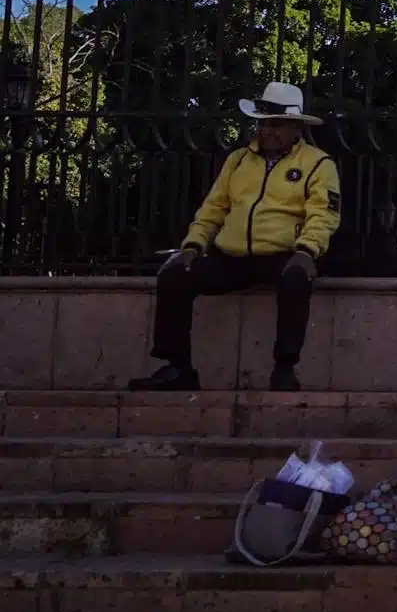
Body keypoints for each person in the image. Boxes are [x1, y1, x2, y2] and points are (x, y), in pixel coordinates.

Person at [128, 81, 340, 393]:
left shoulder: (318, 163)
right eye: (263, 123)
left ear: (296, 127)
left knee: (296, 279)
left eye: (276, 124)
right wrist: (193, 244)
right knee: (174, 275)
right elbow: (214, 207)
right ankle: (177, 367)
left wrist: (307, 250)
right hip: (231, 254)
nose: (267, 131)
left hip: (283, 253)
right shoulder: (238, 159)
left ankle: (284, 368)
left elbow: (324, 213)